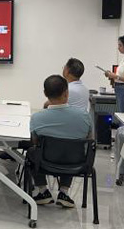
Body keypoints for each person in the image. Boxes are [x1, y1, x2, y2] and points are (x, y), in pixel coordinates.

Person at [30, 75, 93, 208]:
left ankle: (43, 191)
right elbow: (90, 140)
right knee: (72, 148)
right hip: (76, 162)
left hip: (45, 161)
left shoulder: (37, 118)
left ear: (45, 93)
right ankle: (64, 192)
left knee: (32, 152)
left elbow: (34, 141)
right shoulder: (84, 116)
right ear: (66, 93)